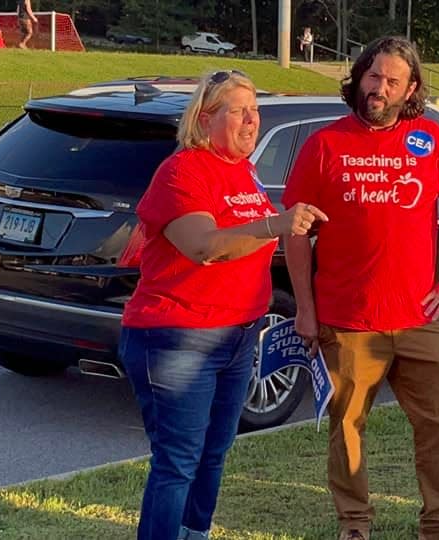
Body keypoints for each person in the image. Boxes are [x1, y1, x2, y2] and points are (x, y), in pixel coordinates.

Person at [282, 36, 439, 540]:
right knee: (347, 427)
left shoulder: (432, 141)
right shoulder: (325, 144)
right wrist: (305, 311)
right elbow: (295, 231)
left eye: (393, 80)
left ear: (411, 87)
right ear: (359, 77)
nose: (381, 89)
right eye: (374, 77)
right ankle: (354, 525)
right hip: (347, 319)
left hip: (422, 318)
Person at [119, 70, 328, 540]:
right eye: (239, 110)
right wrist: (276, 225)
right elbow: (203, 246)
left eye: (255, 111)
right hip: (178, 335)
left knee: (214, 452)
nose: (252, 121)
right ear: (205, 117)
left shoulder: (242, 171)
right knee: (178, 461)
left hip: (238, 334)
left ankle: (196, 532)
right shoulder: (183, 170)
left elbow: (244, 244)